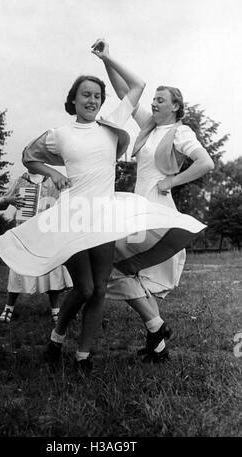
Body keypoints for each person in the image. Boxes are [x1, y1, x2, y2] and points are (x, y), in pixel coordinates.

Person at [0, 42, 206, 374]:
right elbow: (28, 157)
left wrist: (107, 58)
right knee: (84, 288)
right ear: (73, 99)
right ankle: (56, 337)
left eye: (97, 95)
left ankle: (84, 356)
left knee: (102, 288)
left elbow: (136, 86)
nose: (92, 100)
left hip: (105, 217)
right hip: (73, 217)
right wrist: (52, 173)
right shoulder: (60, 133)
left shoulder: (111, 123)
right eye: (85, 94)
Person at [93, 39, 214, 362]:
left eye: (161, 100)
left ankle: (157, 326)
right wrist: (107, 59)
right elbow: (125, 95)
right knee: (134, 275)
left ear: (175, 106)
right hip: (138, 208)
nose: (155, 103)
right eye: (155, 100)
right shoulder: (150, 127)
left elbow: (205, 163)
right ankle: (158, 343)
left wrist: (172, 181)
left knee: (116, 267)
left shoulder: (180, 131)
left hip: (156, 213)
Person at [0, 171, 73, 324]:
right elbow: (1, 206)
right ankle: (9, 307)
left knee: (52, 271)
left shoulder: (53, 181)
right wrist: (8, 199)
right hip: (25, 233)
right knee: (17, 269)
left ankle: (55, 310)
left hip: (47, 234)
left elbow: (66, 204)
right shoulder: (20, 180)